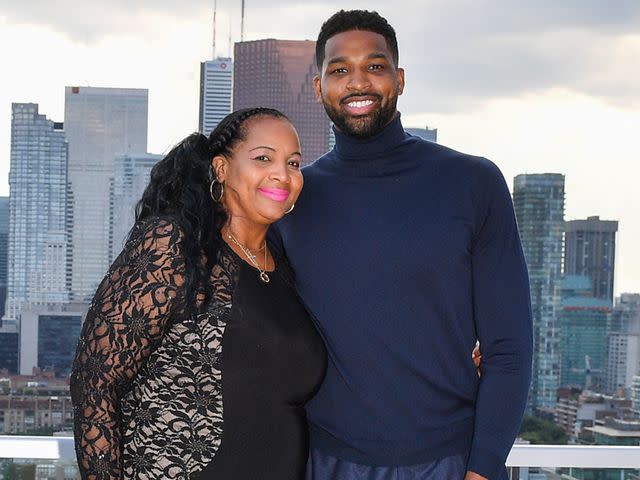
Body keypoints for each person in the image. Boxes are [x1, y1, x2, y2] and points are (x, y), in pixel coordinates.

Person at [271, 10, 533, 480]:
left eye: (375, 66)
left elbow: (510, 347)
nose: (358, 83)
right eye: (339, 70)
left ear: (400, 79)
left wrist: (483, 469)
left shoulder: (473, 183)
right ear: (318, 88)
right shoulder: (293, 199)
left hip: (448, 462)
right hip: (321, 462)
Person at [70, 107, 326, 480]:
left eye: (294, 163)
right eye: (263, 158)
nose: (281, 174)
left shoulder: (283, 265)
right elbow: (95, 382)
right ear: (221, 169)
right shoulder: (175, 245)